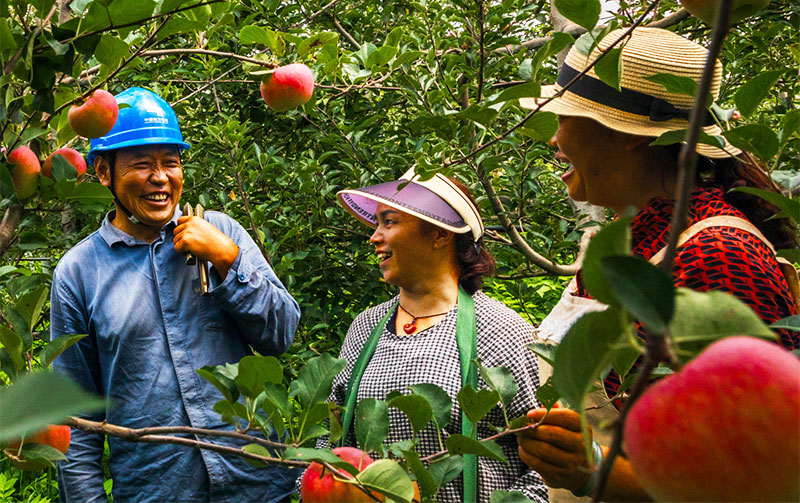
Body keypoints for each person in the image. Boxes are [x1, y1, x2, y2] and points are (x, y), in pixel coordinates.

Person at [515, 27, 799, 501]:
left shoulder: (717, 257)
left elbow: (754, 479)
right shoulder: (627, 249)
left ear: (627, 135)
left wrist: (594, 471)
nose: (553, 138)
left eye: (565, 114)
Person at [50, 87, 301, 502]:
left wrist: (227, 258)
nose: (161, 176)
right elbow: (75, 420)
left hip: (257, 485)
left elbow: (282, 334)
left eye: (171, 162)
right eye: (142, 164)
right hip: (158, 491)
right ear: (102, 172)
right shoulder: (78, 274)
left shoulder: (222, 232)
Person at [318, 169, 549, 502]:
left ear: (440, 233)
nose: (374, 236)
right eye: (376, 224)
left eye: (390, 222)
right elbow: (329, 438)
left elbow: (546, 470)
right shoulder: (365, 328)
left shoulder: (502, 331)